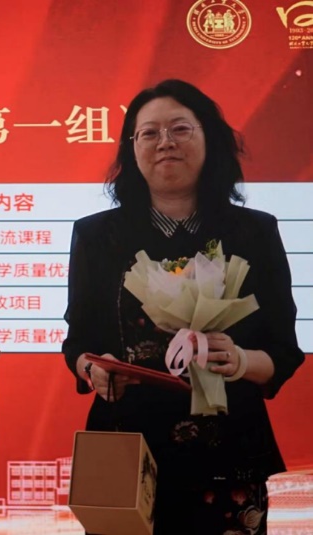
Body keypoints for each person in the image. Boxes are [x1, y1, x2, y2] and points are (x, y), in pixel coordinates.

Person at [62, 79, 305, 534]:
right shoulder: (98, 236)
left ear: (210, 139)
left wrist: (240, 360)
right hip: (127, 450)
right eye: (148, 133)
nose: (165, 143)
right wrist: (94, 369)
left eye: (180, 129)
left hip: (229, 452)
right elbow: (78, 341)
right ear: (132, 148)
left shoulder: (253, 232)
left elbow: (283, 350)